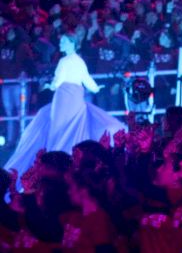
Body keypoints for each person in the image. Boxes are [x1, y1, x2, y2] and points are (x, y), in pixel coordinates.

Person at [5, 36, 125, 184]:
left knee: (59, 128)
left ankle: (56, 158)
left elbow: (57, 81)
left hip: (64, 97)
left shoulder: (64, 61)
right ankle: (71, 158)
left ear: (71, 44)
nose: (60, 43)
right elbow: (86, 79)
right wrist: (95, 88)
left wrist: (49, 86)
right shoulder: (79, 61)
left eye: (64, 41)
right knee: (74, 125)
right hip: (76, 96)